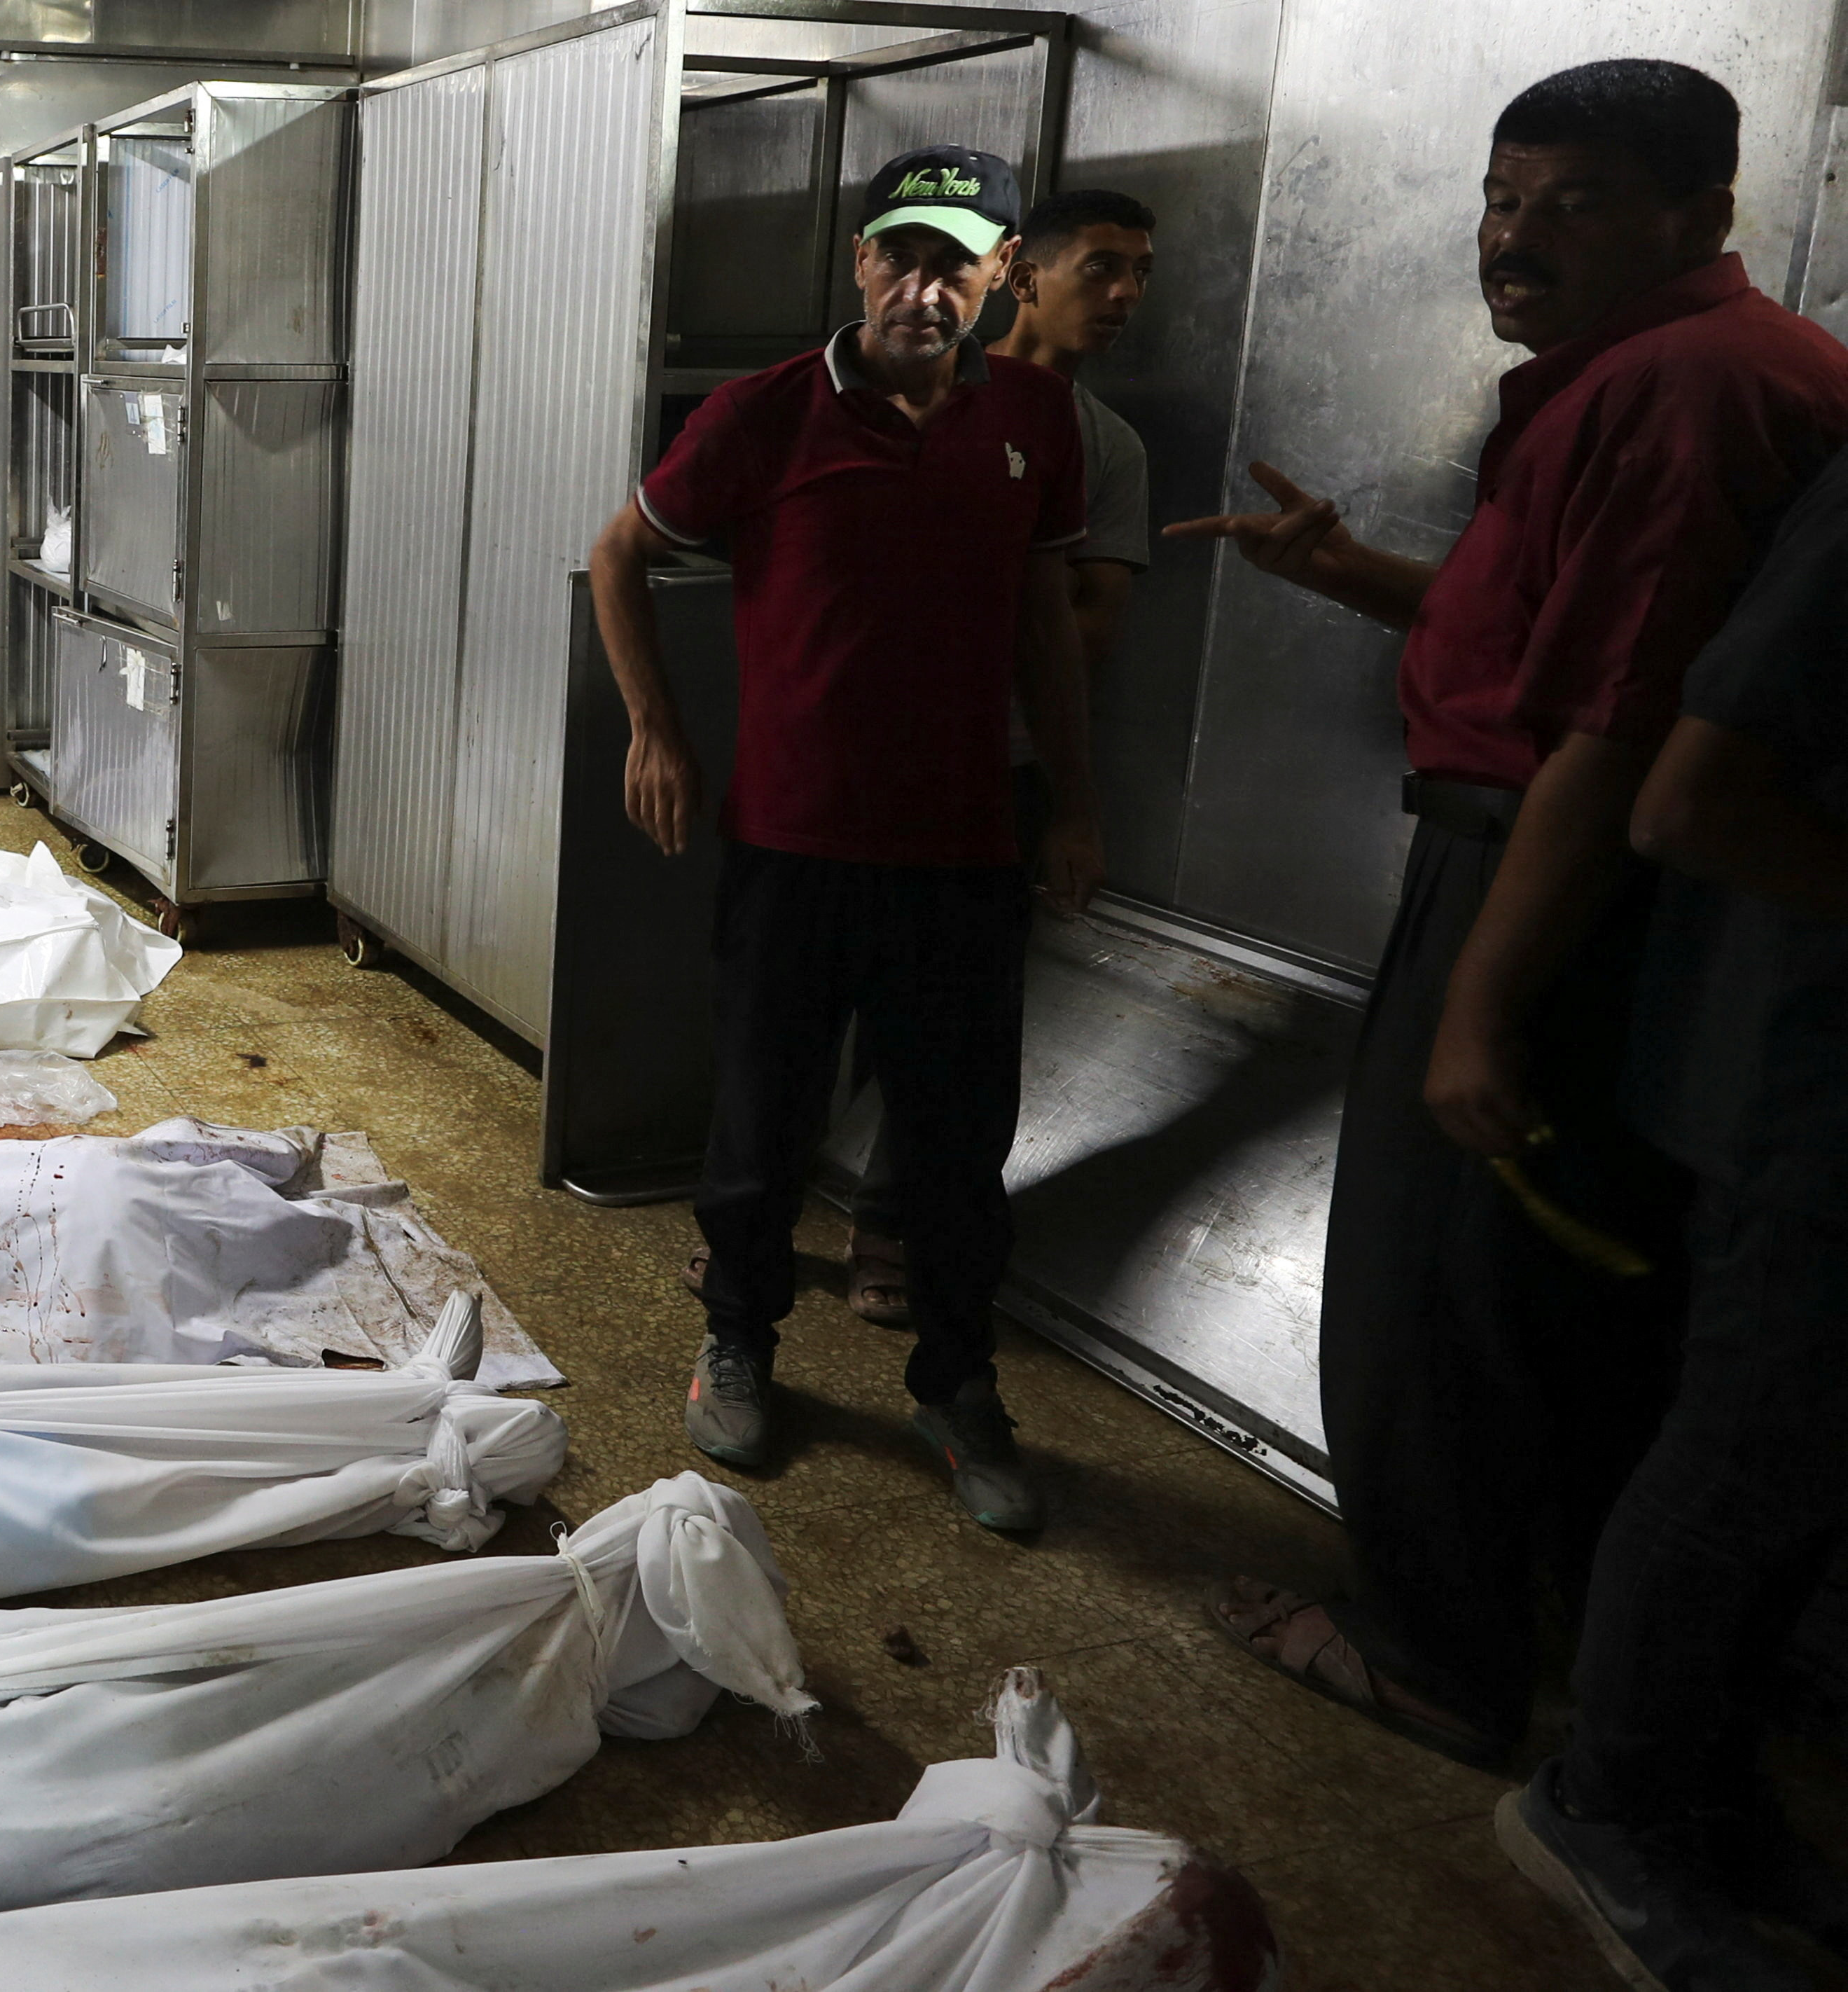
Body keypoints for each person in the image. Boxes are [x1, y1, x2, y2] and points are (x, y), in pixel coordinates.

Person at [1166, 60, 1848, 1769]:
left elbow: (1610, 729)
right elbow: (1553, 645)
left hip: (1545, 881)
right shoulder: (1647, 374)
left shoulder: (1687, 387)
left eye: (1573, 204)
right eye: (1500, 198)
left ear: (1702, 215)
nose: (1513, 240)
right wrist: (1349, 574)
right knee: (1531, 1289)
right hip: (1547, 866)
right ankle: (1544, 1624)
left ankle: (1434, 1657)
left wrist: (1477, 1000)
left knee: (1434, 1289)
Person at [588, 144, 1104, 1535]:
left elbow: (1045, 620)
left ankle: (957, 1383)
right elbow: (620, 554)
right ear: (861, 260)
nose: (922, 292)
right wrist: (655, 731)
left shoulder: (1037, 420)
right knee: (763, 1120)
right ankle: (739, 1339)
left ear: (1003, 275)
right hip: (795, 841)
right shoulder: (765, 414)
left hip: (964, 851)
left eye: (955, 266)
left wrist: (1075, 798)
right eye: (900, 258)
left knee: (957, 1145)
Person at [1496, 449, 1848, 1991]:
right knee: (1738, 1461)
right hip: (1811, 1090)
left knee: (1802, 1475)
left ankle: (1706, 1796)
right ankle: (1606, 1809)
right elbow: (1687, 800)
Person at [837, 188, 1160, 1332]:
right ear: (1023, 277)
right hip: (854, 757)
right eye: (1101, 268)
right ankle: (760, 1217)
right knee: (819, 988)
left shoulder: (1103, 444)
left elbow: (1092, 628)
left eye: (1139, 274)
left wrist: (1071, 800)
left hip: (997, 769)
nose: (1123, 295)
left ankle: (893, 1225)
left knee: (960, 1017)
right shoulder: (900, 396)